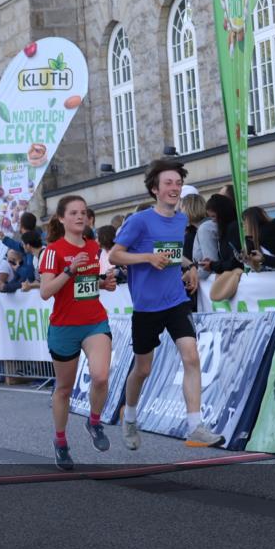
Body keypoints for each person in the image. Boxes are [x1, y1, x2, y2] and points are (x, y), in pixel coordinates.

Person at [109, 159, 225, 448]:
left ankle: (195, 425)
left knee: (191, 356)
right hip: (146, 306)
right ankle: (130, 417)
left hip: (175, 301)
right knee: (143, 369)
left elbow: (172, 253)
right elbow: (115, 255)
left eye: (178, 183)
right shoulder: (139, 221)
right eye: (168, 183)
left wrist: (190, 266)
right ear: (155, 189)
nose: (174, 188)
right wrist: (147, 258)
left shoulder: (181, 220)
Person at [39, 196, 117, 470]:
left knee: (101, 376)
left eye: (83, 212)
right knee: (63, 389)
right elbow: (45, 292)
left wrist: (103, 284)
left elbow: (89, 283)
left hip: (94, 322)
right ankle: (60, 442)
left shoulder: (94, 247)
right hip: (64, 327)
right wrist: (70, 270)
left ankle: (94, 422)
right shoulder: (53, 251)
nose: (80, 217)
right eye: (73, 213)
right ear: (61, 218)